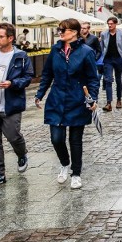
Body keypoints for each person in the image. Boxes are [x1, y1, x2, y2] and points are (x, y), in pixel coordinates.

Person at [35, 19, 100, 190]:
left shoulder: (86, 52)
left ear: (75, 32)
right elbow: (47, 73)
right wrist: (40, 94)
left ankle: (76, 173)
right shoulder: (55, 50)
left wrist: (92, 98)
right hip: (56, 99)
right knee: (56, 139)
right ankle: (65, 163)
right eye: (59, 30)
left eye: (64, 30)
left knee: (75, 139)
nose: (61, 33)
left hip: (77, 99)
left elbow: (93, 79)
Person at [0, 23, 34, 188]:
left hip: (10, 104)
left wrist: (12, 83)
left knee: (13, 136)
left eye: (0, 36)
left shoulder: (21, 56)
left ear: (10, 38)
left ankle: (22, 153)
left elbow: (28, 77)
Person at [99, 17, 122, 111]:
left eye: (111, 23)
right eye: (108, 23)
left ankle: (119, 100)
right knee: (108, 80)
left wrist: (121, 56)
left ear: (116, 24)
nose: (109, 25)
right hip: (107, 59)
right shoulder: (104, 34)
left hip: (118, 59)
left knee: (118, 80)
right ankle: (109, 103)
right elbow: (102, 47)